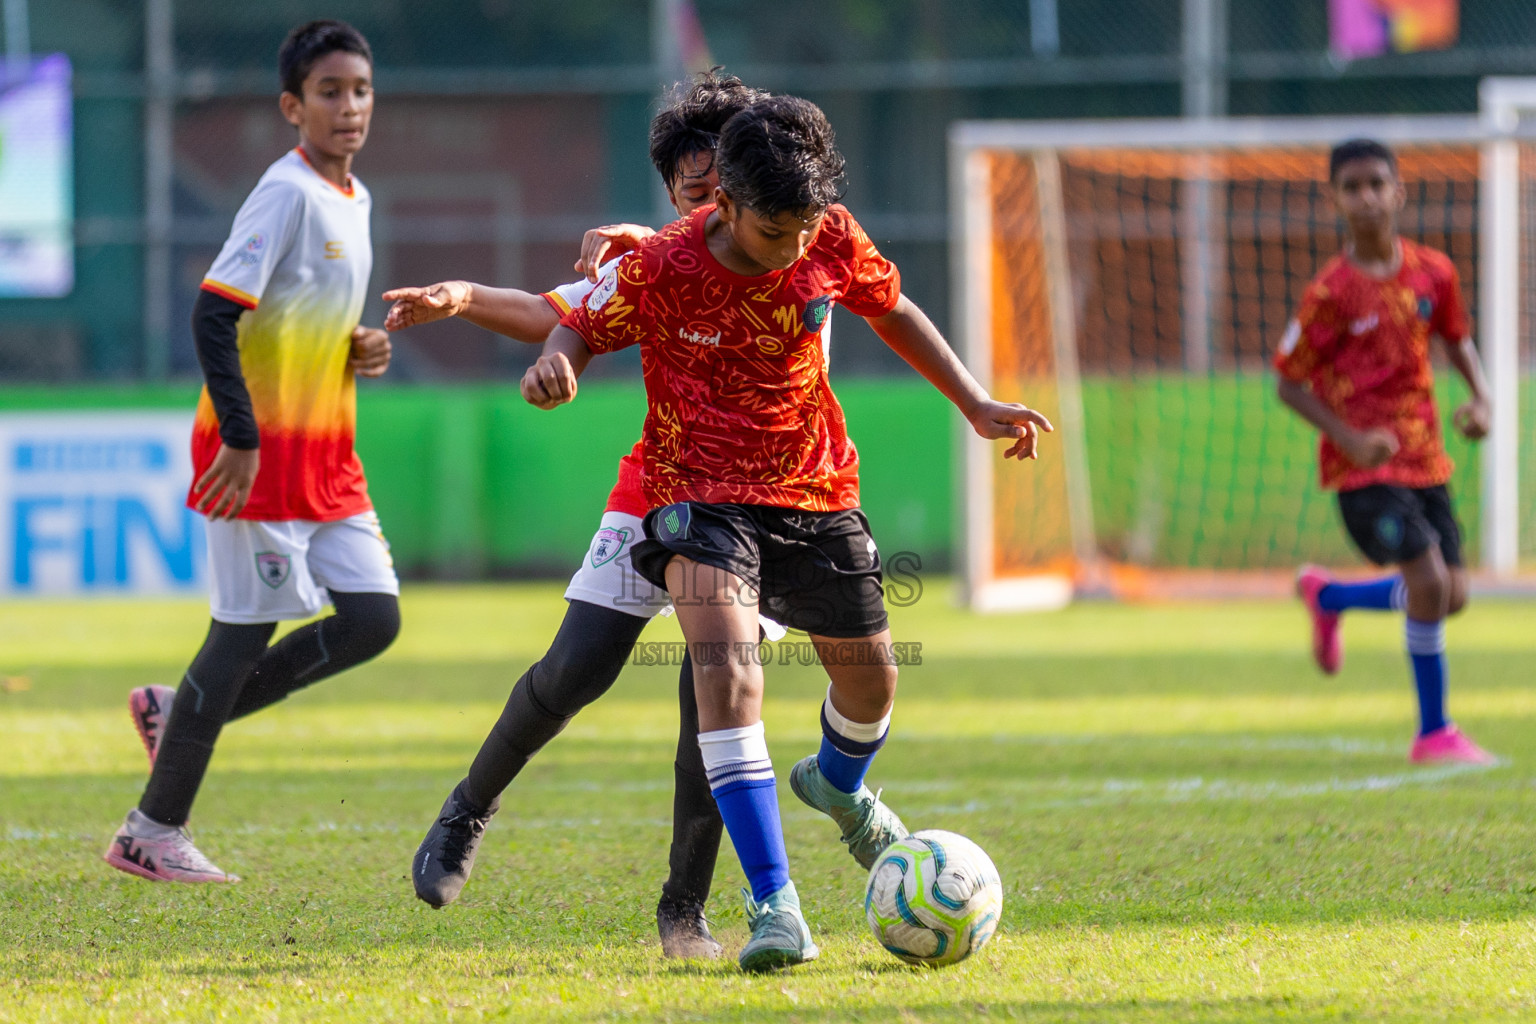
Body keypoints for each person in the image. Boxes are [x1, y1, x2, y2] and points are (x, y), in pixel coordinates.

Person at [524, 94, 1052, 971]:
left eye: (807, 228)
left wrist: (977, 402)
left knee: (875, 686)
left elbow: (891, 307)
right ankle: (778, 909)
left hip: (812, 491)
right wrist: (556, 364)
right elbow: (578, 326)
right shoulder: (662, 264)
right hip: (696, 497)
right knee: (728, 677)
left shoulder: (829, 232)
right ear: (724, 203)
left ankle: (836, 788)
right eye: (777, 231)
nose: (797, 247)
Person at [384, 70, 777, 960]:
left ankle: (686, 911)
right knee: (574, 672)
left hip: (763, 497)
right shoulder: (657, 261)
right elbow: (552, 314)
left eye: (725, 183)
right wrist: (461, 296)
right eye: (690, 188)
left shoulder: (804, 246)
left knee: (712, 705)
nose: (710, 202)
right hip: (661, 489)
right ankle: (465, 811)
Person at [105, 19, 401, 884]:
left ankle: (181, 712)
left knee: (373, 619)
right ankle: (150, 832)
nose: (349, 108)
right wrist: (238, 435)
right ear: (291, 106)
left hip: (327, 458)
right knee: (241, 635)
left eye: (361, 91)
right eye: (330, 92)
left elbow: (299, 315)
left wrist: (355, 348)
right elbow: (214, 311)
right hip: (258, 458)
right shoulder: (286, 193)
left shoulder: (356, 197)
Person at [1277, 137, 1495, 765]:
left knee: (1451, 595)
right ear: (1334, 202)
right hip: (1362, 473)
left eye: (1377, 183)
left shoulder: (1434, 272)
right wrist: (1348, 438)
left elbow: (1456, 338)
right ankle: (1435, 733)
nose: (1366, 197)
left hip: (1426, 460)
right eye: (1352, 187)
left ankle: (1331, 597)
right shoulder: (1330, 293)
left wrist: (1480, 399)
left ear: (1399, 192)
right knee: (1426, 583)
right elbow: (1288, 381)